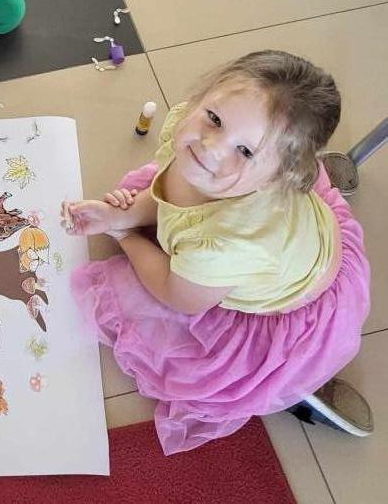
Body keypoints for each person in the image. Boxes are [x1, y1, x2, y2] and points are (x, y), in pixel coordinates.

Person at [63, 50, 372, 453]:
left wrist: (126, 234)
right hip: (277, 240)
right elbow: (171, 191)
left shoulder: (226, 245)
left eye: (246, 151)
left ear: (278, 177)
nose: (210, 147)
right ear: (202, 97)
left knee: (164, 319)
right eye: (214, 118)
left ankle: (297, 386)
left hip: (287, 310)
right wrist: (119, 214)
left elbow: (177, 295)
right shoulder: (202, 153)